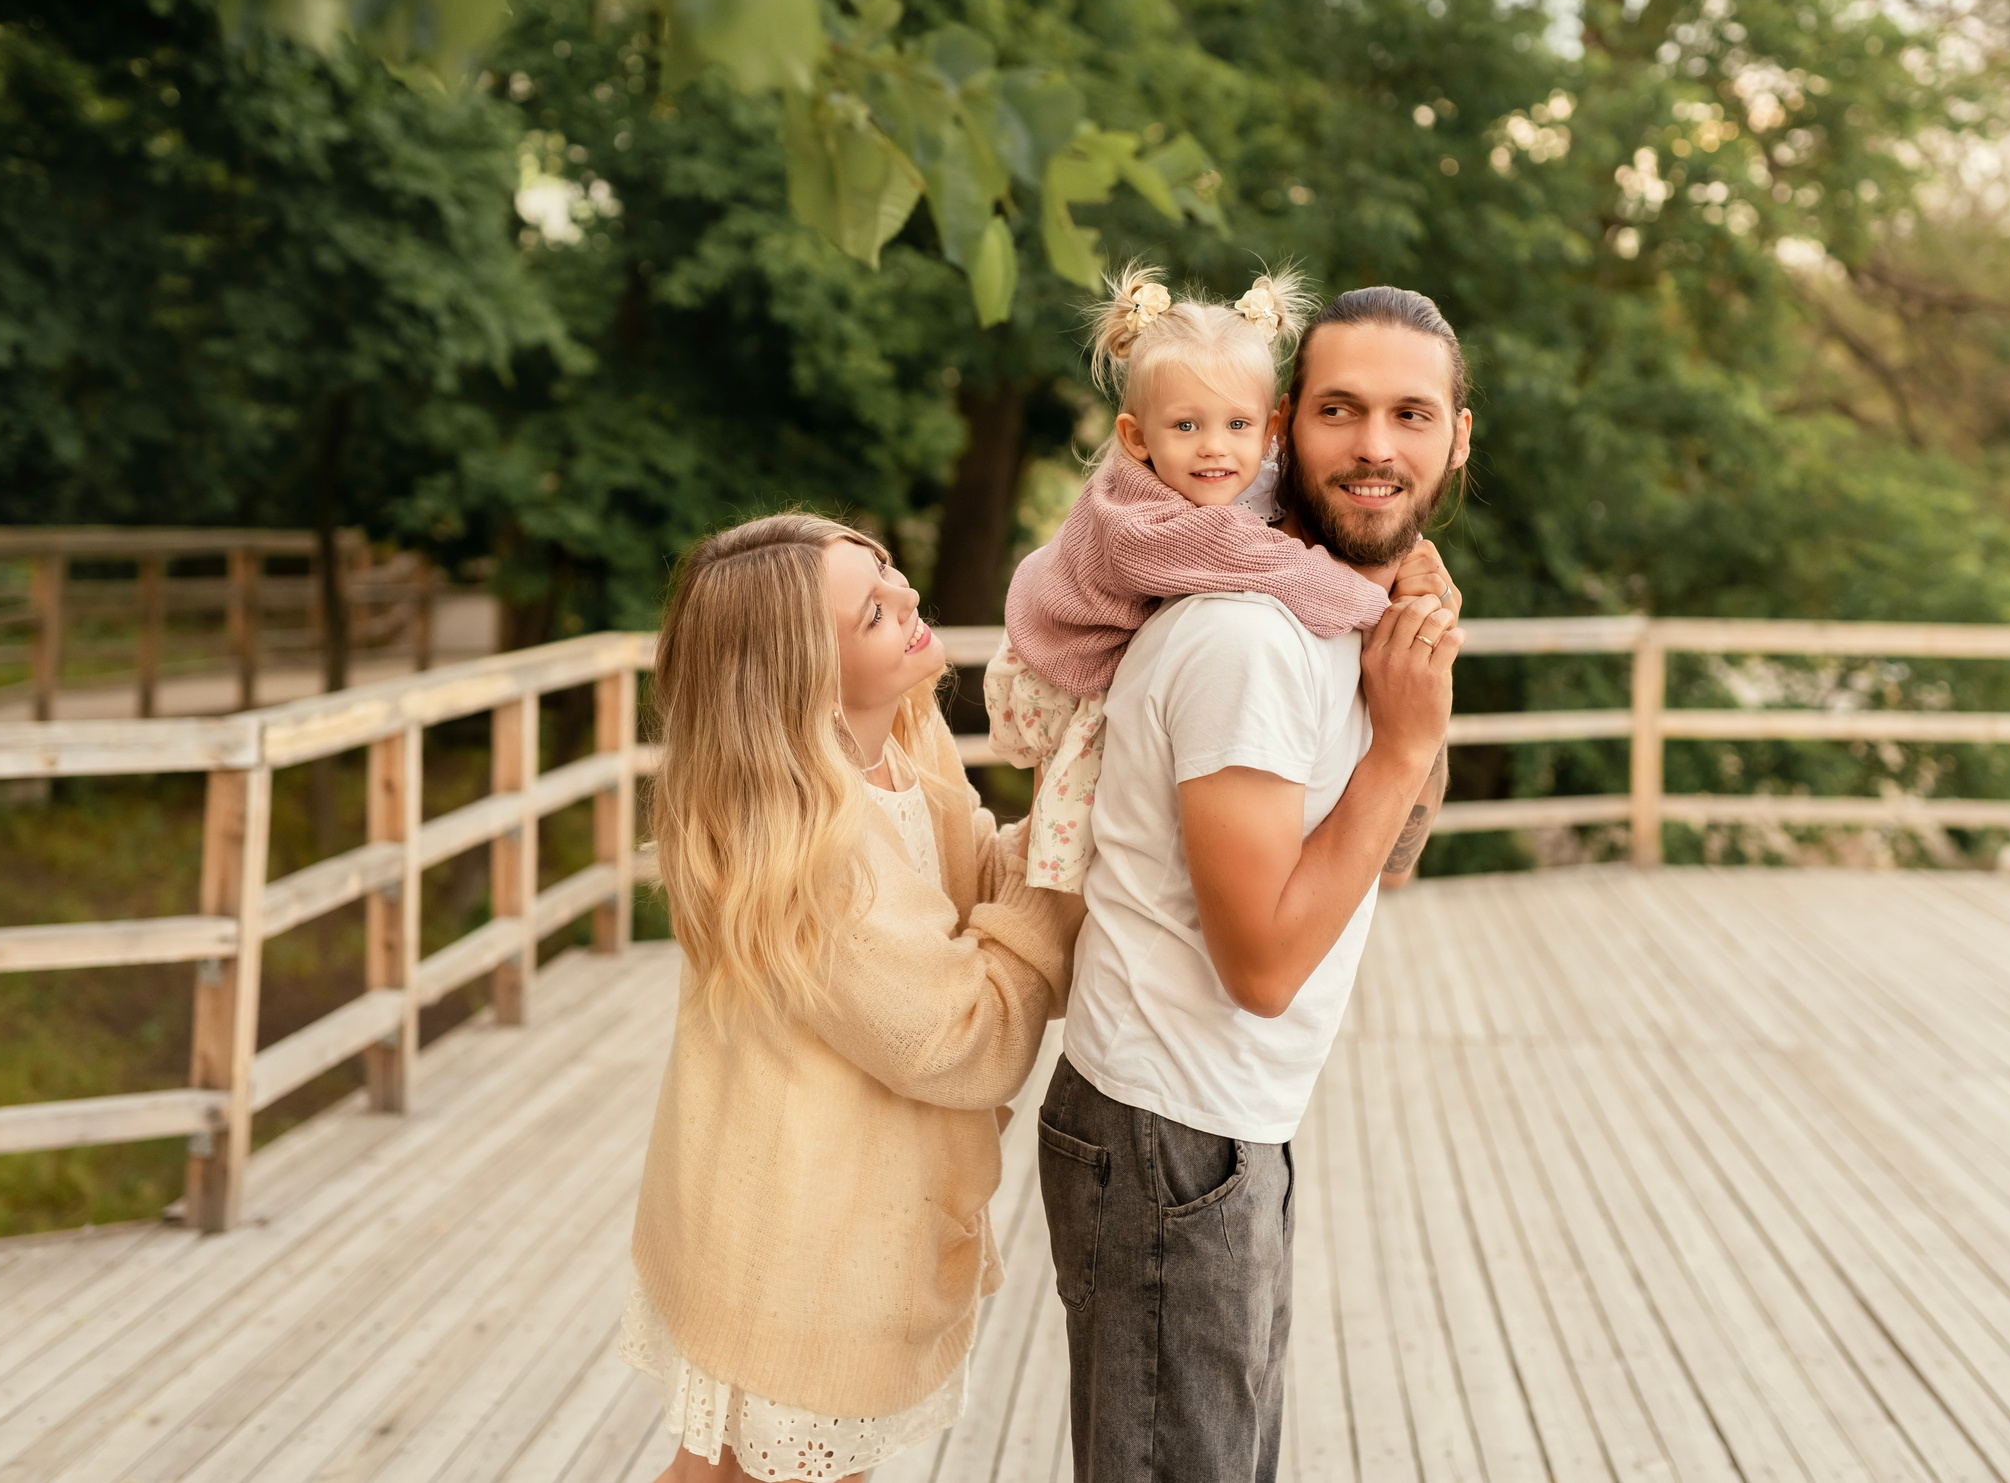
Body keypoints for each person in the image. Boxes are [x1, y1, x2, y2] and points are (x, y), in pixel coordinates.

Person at [1039, 286, 1474, 1482]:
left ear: (1456, 438)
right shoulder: (1247, 636)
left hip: (1226, 1123)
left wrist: (1410, 716)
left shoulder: (1327, 603)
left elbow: (1387, 861)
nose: (1374, 446)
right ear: (1286, 423)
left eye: (1409, 414)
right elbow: (1266, 967)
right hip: (1171, 1129)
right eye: (1340, 410)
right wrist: (1399, 746)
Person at [623, 513, 1086, 1483]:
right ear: (803, 678)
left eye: (888, 574)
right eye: (873, 612)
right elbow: (961, 1034)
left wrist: (1056, 814)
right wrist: (1059, 866)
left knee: (735, 1473)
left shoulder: (904, 746)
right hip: (795, 1244)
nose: (910, 598)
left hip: (828, 1218)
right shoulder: (804, 852)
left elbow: (962, 888)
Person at [983, 264, 1395, 891]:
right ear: (1136, 437)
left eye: (1237, 425)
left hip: (1065, 626)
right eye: (1185, 426)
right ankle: (1045, 919)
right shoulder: (1147, 526)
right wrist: (1377, 600)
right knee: (1074, 834)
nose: (1214, 448)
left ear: (1271, 431)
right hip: (1060, 661)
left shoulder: (1212, 470)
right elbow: (1271, 565)